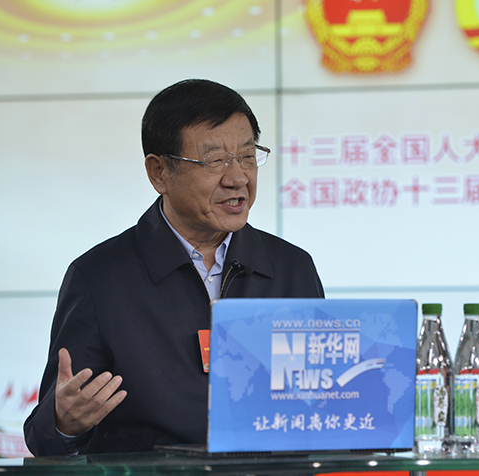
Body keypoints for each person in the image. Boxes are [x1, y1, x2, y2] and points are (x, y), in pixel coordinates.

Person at [24, 79, 324, 455]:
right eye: (215, 160)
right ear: (159, 172)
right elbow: (45, 438)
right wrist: (65, 423)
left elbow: (321, 406)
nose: (238, 178)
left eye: (248, 156)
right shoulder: (99, 278)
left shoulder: (292, 268)